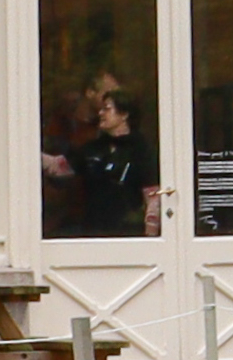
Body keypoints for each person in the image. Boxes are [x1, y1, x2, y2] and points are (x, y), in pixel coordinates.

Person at [43, 70, 154, 238]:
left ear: (124, 115)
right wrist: (29, 153)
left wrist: (151, 236)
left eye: (107, 109)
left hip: (129, 233)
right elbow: (60, 167)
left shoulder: (141, 149)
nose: (100, 113)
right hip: (93, 232)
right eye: (101, 109)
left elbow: (152, 195)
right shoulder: (94, 147)